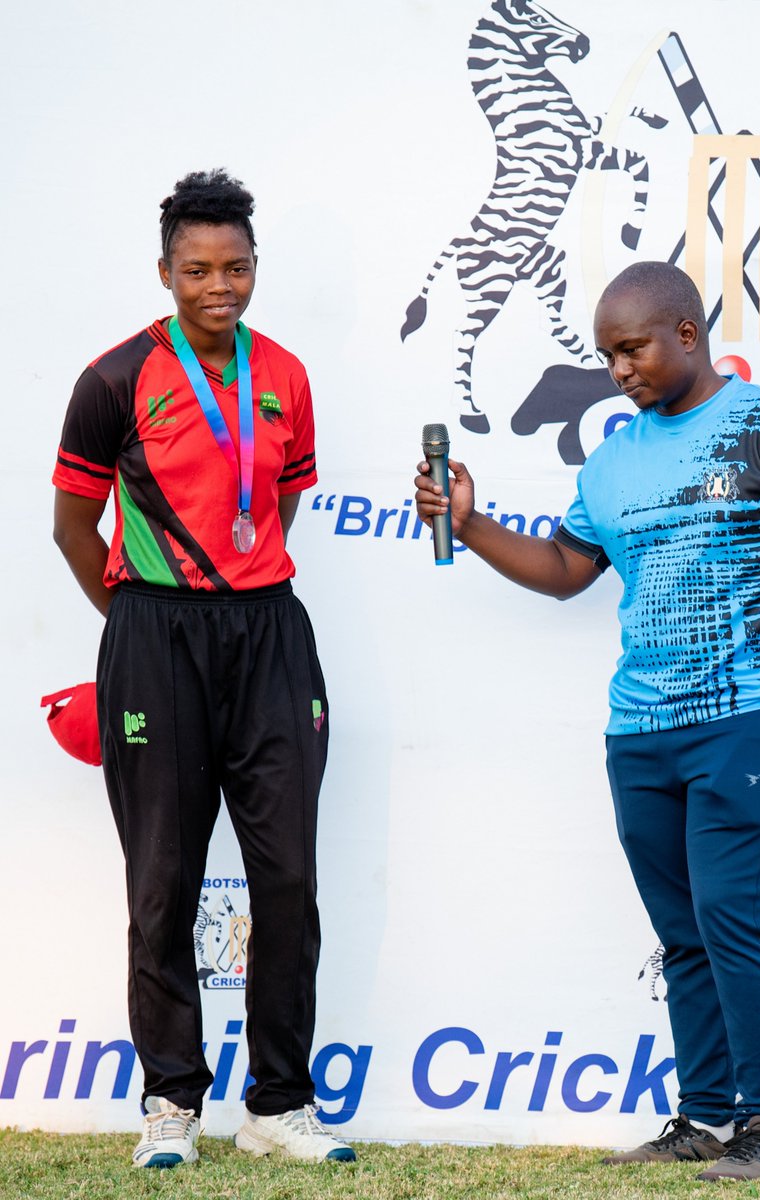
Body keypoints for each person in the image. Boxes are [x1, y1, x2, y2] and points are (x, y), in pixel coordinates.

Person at [414, 260, 760, 1182]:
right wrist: (469, 524)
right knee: (683, 927)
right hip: (642, 726)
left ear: (688, 336)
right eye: (607, 356)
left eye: (633, 349)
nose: (619, 370)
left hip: (757, 709)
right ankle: (704, 1117)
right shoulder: (613, 460)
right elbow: (564, 569)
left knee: (732, 909)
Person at [51, 169, 355, 1169]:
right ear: (165, 271)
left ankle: (280, 1105)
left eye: (235, 267)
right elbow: (72, 524)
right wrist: (140, 622)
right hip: (153, 636)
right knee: (163, 882)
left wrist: (234, 596)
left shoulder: (288, 375)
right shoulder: (113, 379)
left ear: (256, 267)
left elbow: (283, 505)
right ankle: (171, 1102)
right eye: (197, 269)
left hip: (268, 634)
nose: (218, 285)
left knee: (290, 880)